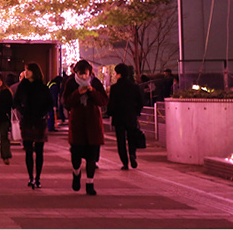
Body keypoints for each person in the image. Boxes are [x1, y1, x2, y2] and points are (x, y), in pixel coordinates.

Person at [63, 59, 108, 195]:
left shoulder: (94, 83)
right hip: (78, 123)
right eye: (81, 74)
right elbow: (66, 102)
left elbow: (103, 100)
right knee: (76, 155)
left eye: (85, 74)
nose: (83, 77)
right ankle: (76, 174)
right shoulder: (71, 83)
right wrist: (78, 93)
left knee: (92, 156)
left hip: (93, 123)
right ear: (76, 72)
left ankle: (90, 183)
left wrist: (92, 91)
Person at [15, 62, 53, 188]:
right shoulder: (22, 86)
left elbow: (50, 103)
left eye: (28, 70)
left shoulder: (42, 87)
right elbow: (15, 102)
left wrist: (43, 113)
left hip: (39, 120)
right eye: (25, 70)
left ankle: (38, 178)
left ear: (34, 72)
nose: (26, 72)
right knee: (28, 150)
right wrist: (22, 110)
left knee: (39, 150)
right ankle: (31, 177)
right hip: (27, 119)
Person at [106, 63, 144, 170]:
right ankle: (132, 154)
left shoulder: (114, 88)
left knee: (121, 140)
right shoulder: (134, 87)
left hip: (118, 118)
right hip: (131, 116)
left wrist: (110, 113)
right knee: (131, 137)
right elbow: (140, 102)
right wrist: (136, 112)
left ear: (118, 74)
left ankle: (125, 162)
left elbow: (112, 104)